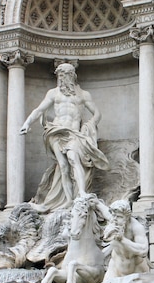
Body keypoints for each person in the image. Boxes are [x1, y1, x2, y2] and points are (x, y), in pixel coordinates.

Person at [20, 63, 109, 212]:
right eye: (60, 75)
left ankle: (81, 193)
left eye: (65, 75)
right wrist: (27, 123)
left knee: (73, 158)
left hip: (73, 133)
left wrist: (89, 126)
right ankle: (68, 200)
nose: (62, 79)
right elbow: (39, 109)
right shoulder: (53, 93)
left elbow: (97, 113)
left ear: (73, 76)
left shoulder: (83, 95)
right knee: (63, 166)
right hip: (56, 131)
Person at [101, 199, 152, 280]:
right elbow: (100, 207)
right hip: (115, 269)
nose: (115, 219)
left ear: (127, 217)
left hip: (137, 269)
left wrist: (122, 240)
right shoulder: (113, 222)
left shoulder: (136, 227)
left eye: (119, 217)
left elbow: (143, 250)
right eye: (113, 216)